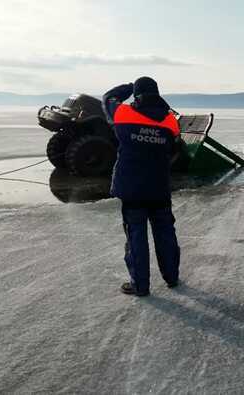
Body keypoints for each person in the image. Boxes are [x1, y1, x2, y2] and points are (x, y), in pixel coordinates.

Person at [102, 76, 181, 296]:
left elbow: (109, 97)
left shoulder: (123, 114)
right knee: (165, 232)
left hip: (132, 188)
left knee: (136, 235)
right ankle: (172, 277)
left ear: (137, 94)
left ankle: (140, 285)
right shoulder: (170, 121)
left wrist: (129, 87)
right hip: (159, 187)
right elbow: (174, 150)